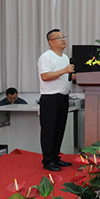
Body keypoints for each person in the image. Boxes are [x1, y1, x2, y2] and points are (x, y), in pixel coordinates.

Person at [37, 29, 75, 171]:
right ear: (51, 42)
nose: (63, 39)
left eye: (63, 36)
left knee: (59, 130)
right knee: (49, 131)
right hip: (50, 99)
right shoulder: (46, 57)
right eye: (59, 37)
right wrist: (64, 70)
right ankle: (47, 161)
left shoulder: (65, 57)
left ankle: (55, 157)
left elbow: (68, 77)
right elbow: (45, 76)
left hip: (63, 98)